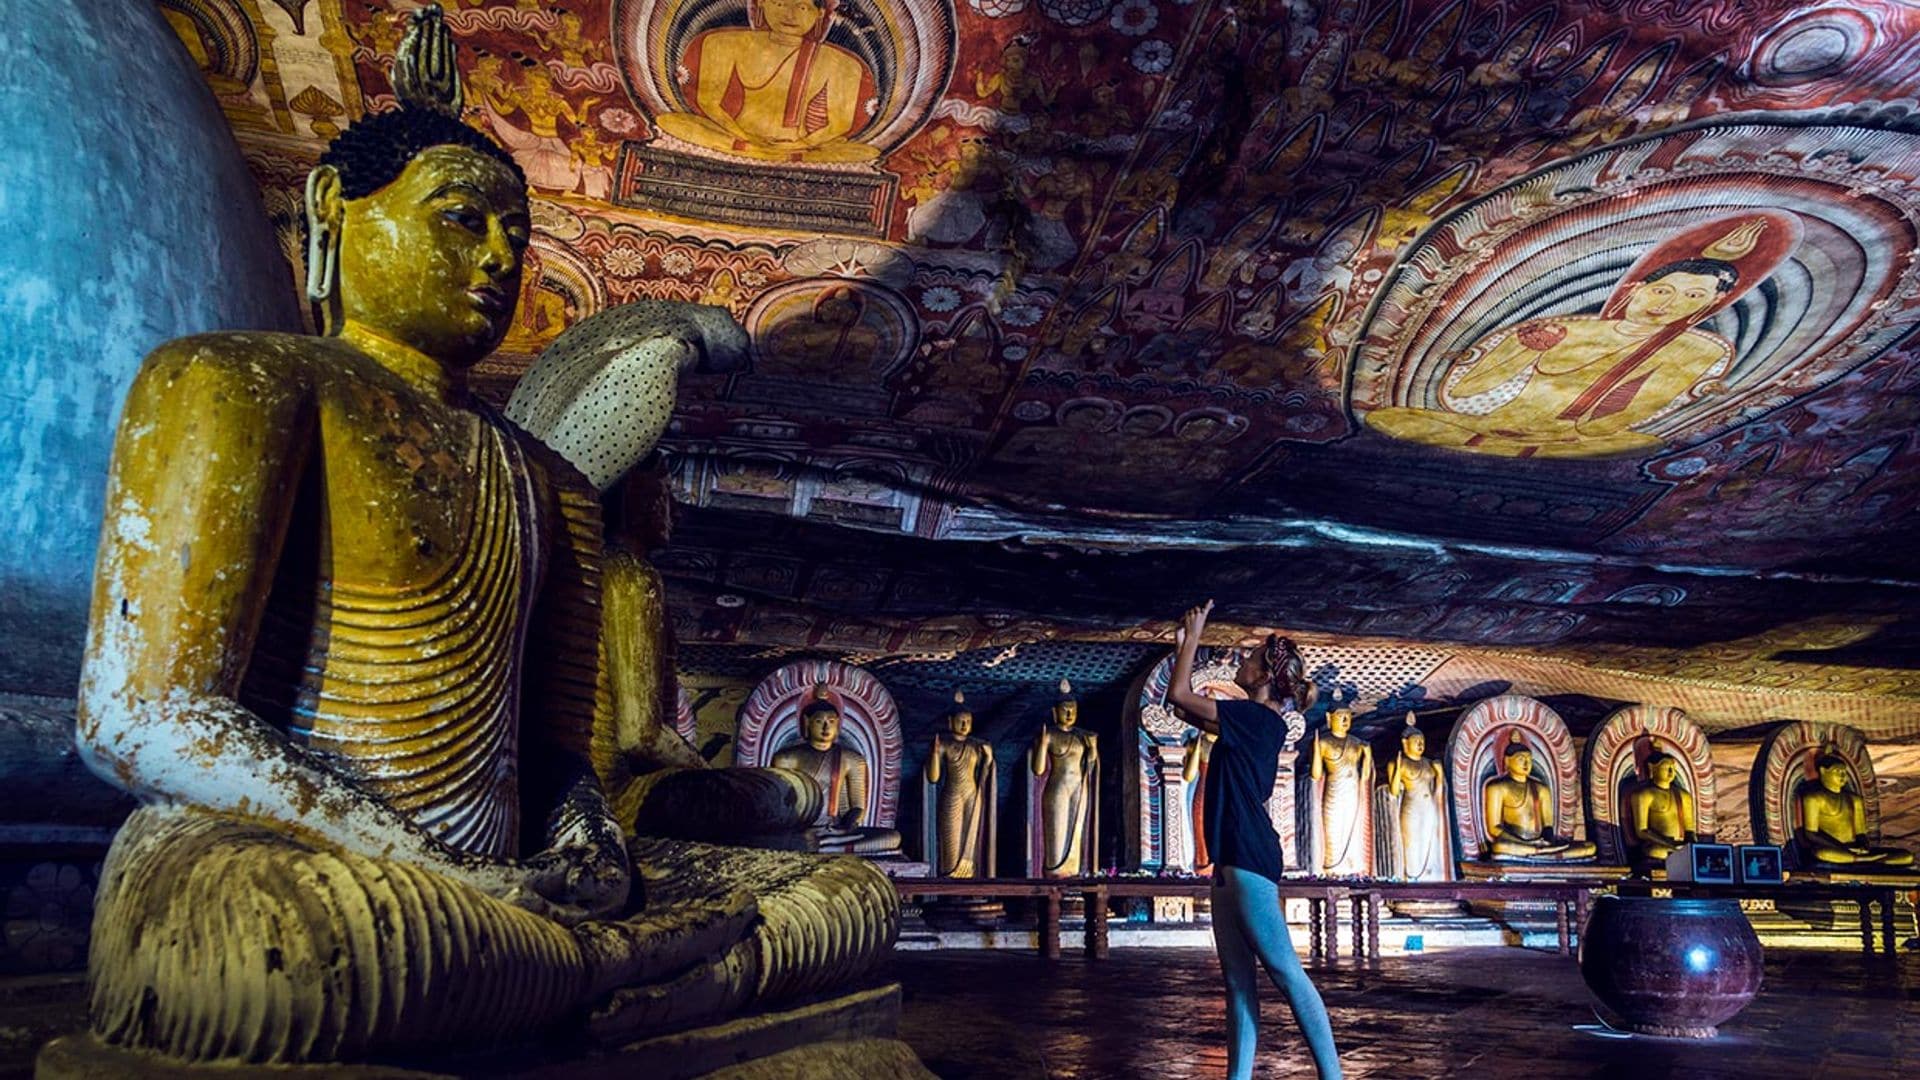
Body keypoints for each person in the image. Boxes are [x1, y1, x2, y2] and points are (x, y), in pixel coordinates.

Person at [1168, 601, 1341, 1080]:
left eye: (1247, 657)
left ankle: (1334, 1076)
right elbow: (1176, 705)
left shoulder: (1255, 718)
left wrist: (1197, 633)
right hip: (1231, 859)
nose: (1238, 663)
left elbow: (1182, 693)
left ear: (1264, 673)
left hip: (1247, 855)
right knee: (1239, 982)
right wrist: (1183, 647)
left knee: (1285, 971)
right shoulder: (1248, 723)